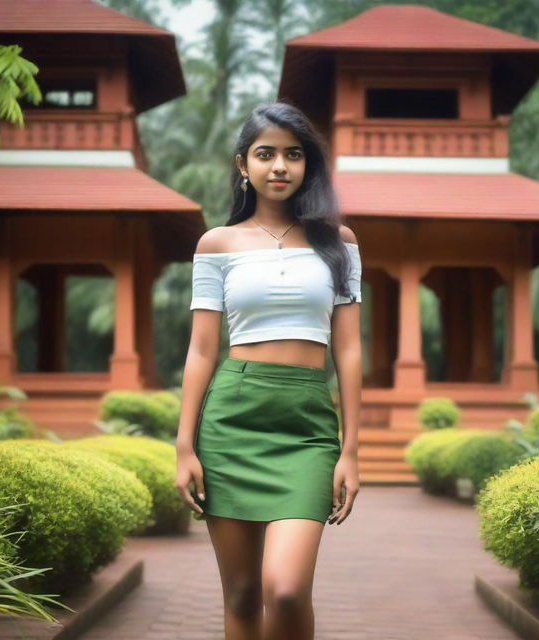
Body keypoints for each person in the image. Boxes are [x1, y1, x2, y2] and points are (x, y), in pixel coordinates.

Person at [174, 100, 362, 640]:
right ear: (243, 165)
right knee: (240, 593)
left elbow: (347, 352)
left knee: (285, 589)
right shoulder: (217, 245)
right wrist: (184, 445)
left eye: (293, 154)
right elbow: (202, 351)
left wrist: (350, 449)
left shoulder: (339, 243)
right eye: (266, 154)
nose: (279, 166)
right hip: (231, 421)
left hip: (305, 427)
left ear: (308, 166)